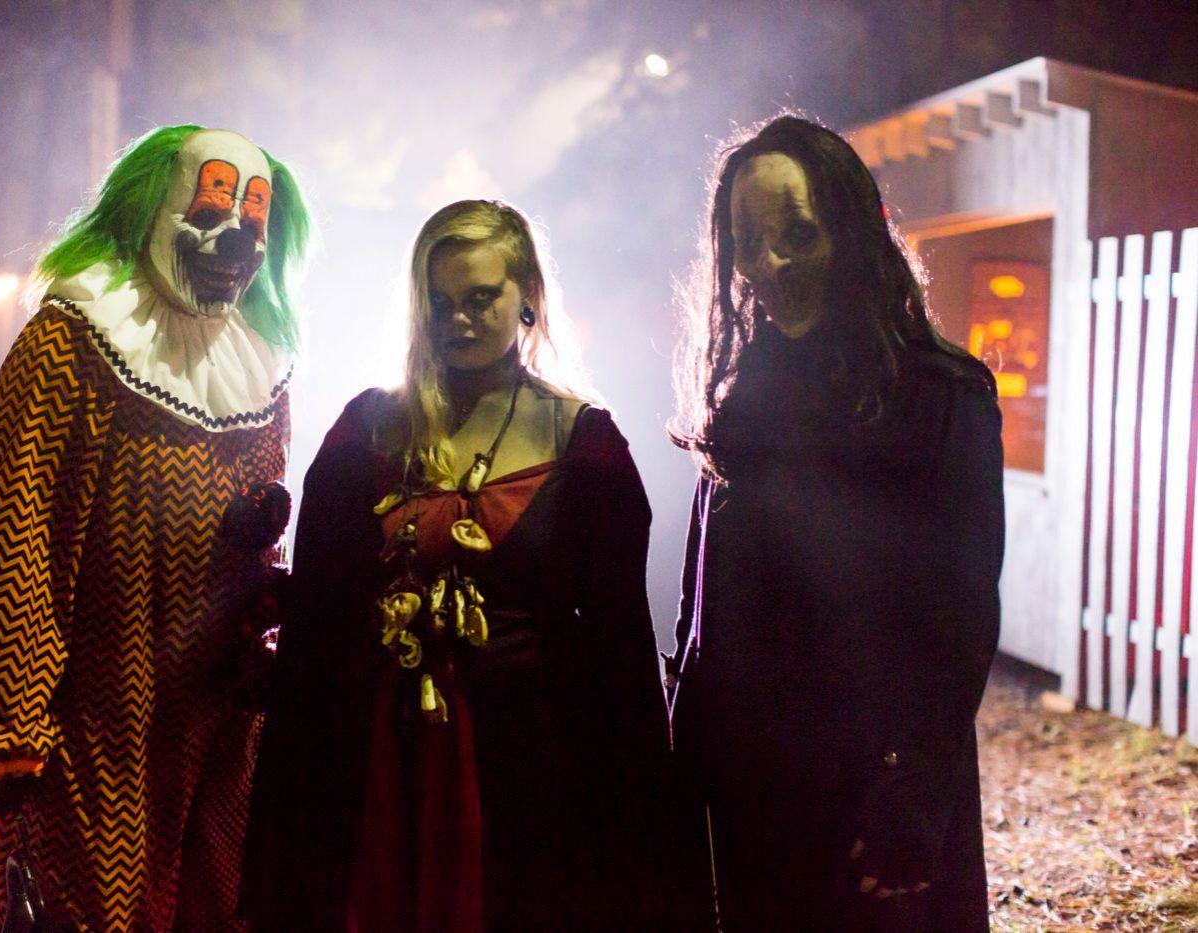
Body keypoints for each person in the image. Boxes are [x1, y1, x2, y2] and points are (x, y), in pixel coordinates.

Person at [243, 199, 682, 931]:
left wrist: (637, 855)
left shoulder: (586, 447)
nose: (459, 320)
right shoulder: (364, 431)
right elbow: (313, 634)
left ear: (528, 297)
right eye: (440, 302)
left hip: (527, 773)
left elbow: (620, 657)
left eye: (481, 298)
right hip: (376, 763)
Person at [0, 125, 311, 931]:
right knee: (87, 899)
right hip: (97, 700)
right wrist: (7, 705)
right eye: (210, 213)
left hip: (215, 702)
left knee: (214, 897)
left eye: (252, 225)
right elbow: (14, 520)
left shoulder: (258, 360)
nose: (235, 244)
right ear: (151, 210)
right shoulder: (72, 343)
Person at [667, 115, 1004, 932]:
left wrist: (912, 792)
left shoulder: (939, 394)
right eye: (749, 241)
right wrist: (686, 752)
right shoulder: (742, 397)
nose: (770, 263)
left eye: (797, 233)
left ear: (849, 231)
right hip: (757, 792)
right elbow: (705, 597)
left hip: (872, 793)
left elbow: (960, 619)